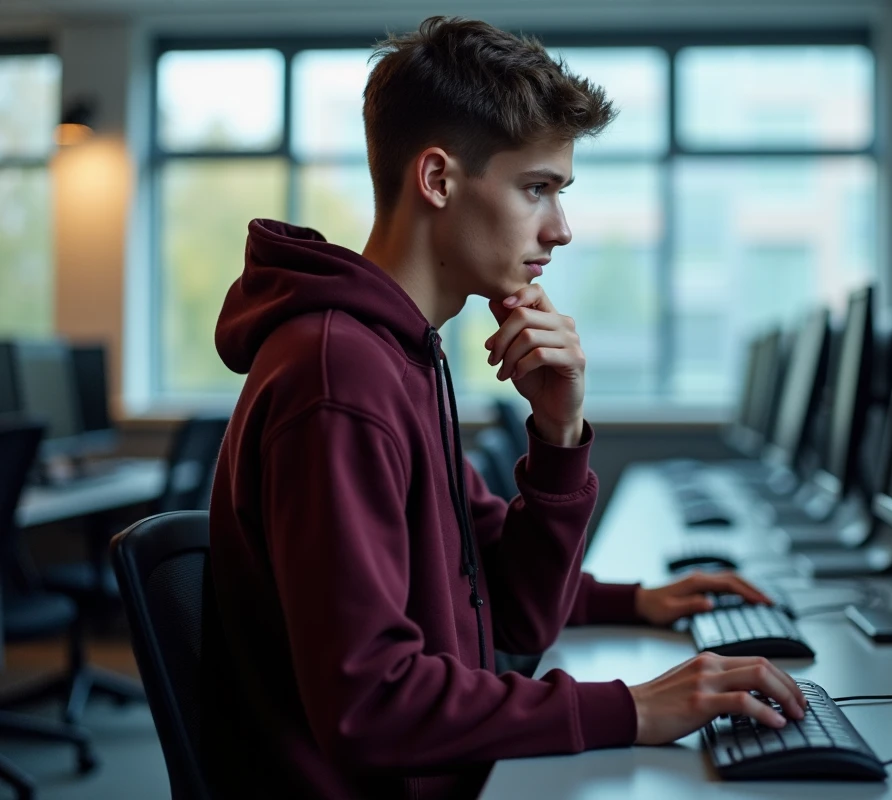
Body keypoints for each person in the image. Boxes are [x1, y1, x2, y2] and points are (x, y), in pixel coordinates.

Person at [203, 16, 806, 799]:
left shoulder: (399, 353)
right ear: (439, 180)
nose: (561, 230)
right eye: (537, 189)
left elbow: (510, 609)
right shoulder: (339, 377)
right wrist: (631, 708)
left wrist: (559, 433)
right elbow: (370, 706)